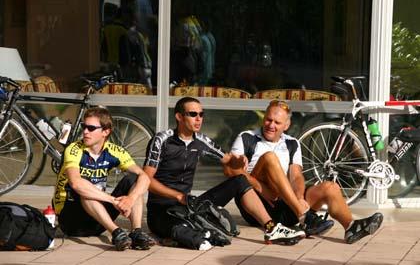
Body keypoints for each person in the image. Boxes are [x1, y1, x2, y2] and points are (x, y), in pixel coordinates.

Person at [143, 97, 309, 250]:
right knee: (196, 238)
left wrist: (239, 161)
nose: (199, 118)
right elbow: (146, 179)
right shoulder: (162, 139)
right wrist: (177, 196)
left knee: (239, 180)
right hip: (161, 208)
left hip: (188, 206)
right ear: (179, 117)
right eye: (193, 114)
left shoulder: (201, 140)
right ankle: (186, 233)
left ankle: (271, 228)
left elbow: (229, 161)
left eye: (201, 114)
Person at [229, 100, 383, 244]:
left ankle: (350, 227)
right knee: (270, 158)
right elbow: (233, 172)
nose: (271, 125)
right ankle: (304, 217)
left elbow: (296, 176)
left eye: (277, 122)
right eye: (269, 120)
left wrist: (298, 198)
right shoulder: (247, 138)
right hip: (257, 205)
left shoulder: (292, 143)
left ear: (286, 125)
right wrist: (257, 184)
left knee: (330, 188)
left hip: (284, 204)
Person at [53, 107, 155, 251]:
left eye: (91, 128)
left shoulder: (114, 151)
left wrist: (130, 199)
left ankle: (136, 233)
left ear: (105, 132)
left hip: (99, 219)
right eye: (84, 127)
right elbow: (76, 183)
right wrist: (114, 201)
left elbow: (145, 178)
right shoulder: (74, 149)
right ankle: (117, 233)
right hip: (71, 221)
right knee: (85, 186)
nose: (85, 132)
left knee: (134, 179)